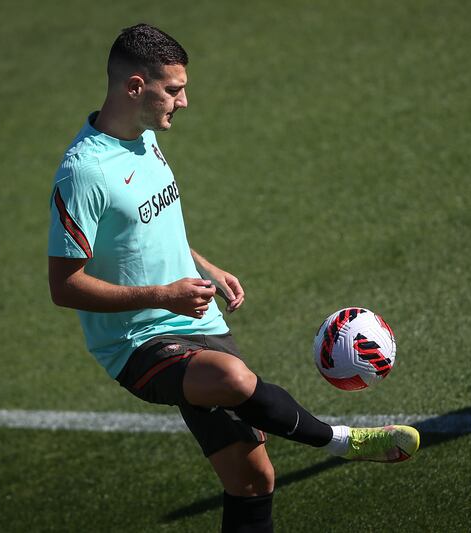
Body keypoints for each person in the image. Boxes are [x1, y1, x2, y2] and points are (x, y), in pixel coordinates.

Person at [47, 23, 419, 532]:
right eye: (174, 90)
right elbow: (64, 285)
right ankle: (342, 441)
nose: (184, 102)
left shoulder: (145, 138)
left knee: (252, 480)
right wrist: (162, 295)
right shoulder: (84, 172)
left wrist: (205, 266)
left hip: (197, 315)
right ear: (135, 86)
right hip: (139, 344)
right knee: (233, 378)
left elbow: (144, 226)